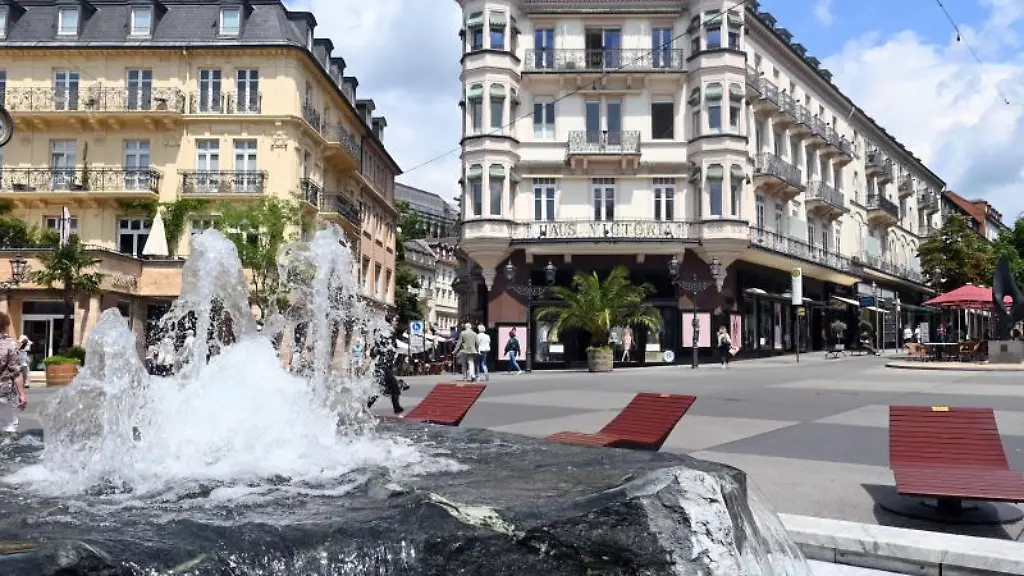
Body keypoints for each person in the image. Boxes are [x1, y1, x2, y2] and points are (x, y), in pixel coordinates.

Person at [367, 317, 403, 415]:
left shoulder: (391, 334)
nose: (397, 322)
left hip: (386, 367)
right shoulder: (385, 333)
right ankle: (396, 408)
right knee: (385, 389)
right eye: (396, 320)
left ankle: (397, 408)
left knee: (384, 389)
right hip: (383, 366)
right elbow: (376, 349)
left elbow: (393, 349)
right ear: (391, 321)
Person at [0, 312, 27, 435]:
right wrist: (22, 394)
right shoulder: (9, 344)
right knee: (8, 429)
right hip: (4, 392)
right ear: (5, 327)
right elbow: (15, 372)